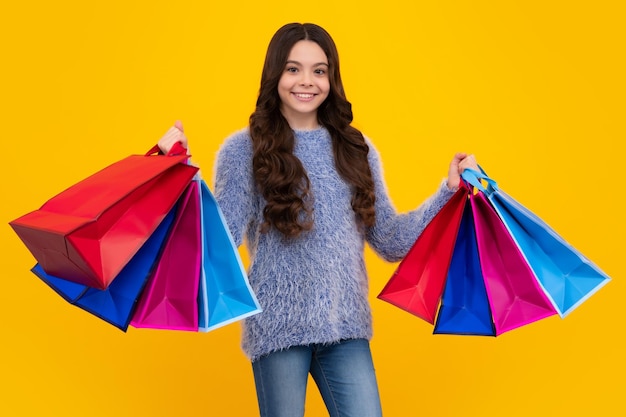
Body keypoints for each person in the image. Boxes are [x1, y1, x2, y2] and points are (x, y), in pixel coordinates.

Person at [158, 22, 478, 417]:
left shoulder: (355, 149)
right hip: (278, 329)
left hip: (346, 326)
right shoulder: (245, 149)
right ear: (275, 75)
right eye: (293, 69)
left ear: (332, 78)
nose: (306, 81)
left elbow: (392, 240)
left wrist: (447, 194)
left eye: (319, 70)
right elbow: (219, 239)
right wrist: (180, 174)